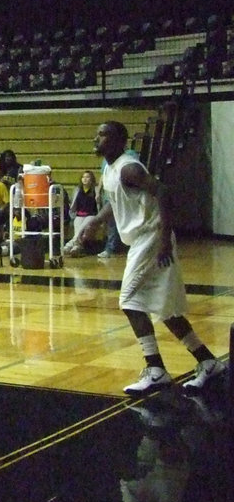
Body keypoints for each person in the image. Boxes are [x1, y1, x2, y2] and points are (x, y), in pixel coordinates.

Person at [75, 121, 226, 395]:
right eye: (96, 133)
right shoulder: (110, 169)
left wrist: (165, 240)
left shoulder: (129, 167)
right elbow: (118, 202)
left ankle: (155, 369)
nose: (96, 138)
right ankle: (208, 361)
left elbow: (164, 193)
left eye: (103, 134)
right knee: (164, 308)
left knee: (130, 301)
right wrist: (96, 221)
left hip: (152, 238)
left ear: (119, 140)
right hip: (142, 240)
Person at [63, 170, 101, 256]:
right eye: (83, 177)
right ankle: (77, 246)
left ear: (91, 179)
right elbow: (73, 204)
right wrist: (72, 214)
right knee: (78, 229)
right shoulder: (77, 190)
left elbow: (99, 204)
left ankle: (70, 244)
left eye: (87, 177)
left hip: (91, 214)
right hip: (79, 214)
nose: (85, 179)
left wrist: (98, 199)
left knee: (81, 228)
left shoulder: (95, 190)